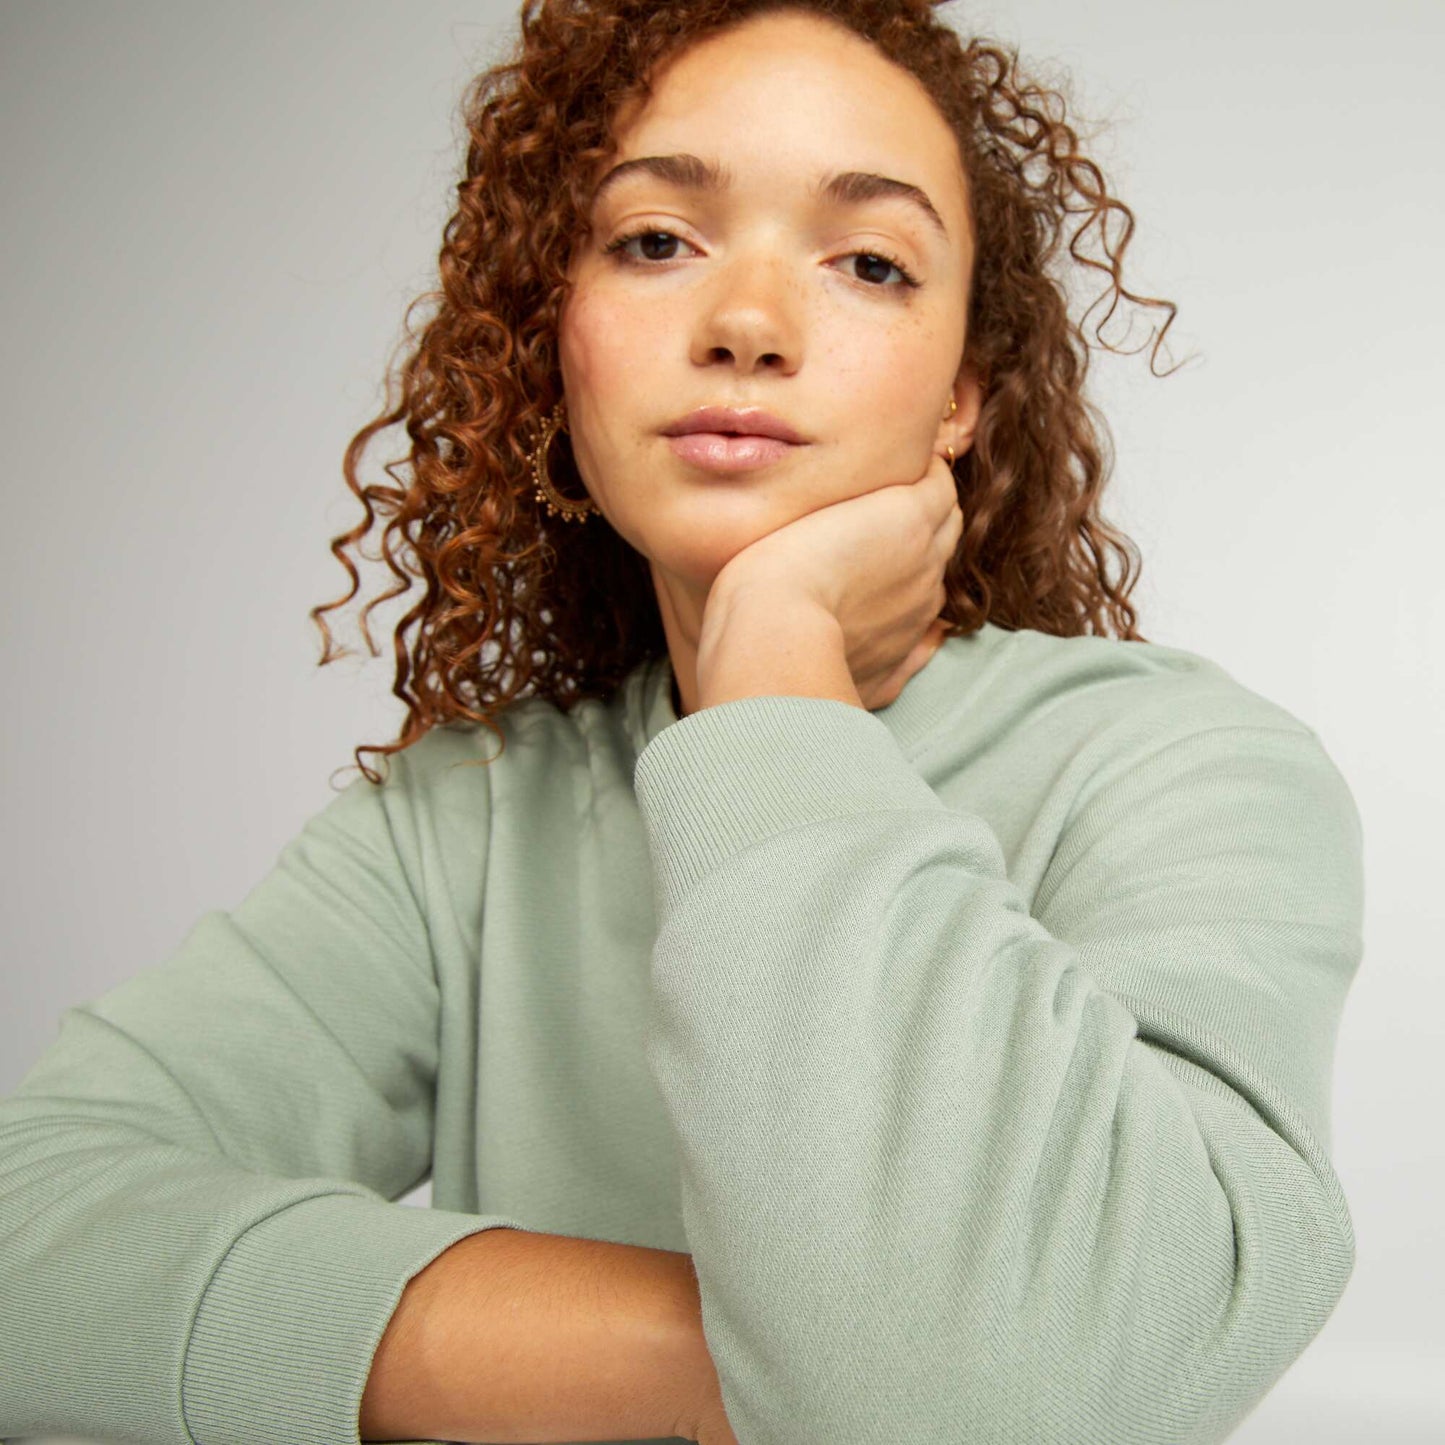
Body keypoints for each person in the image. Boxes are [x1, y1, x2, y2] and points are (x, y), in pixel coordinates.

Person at [0, 2, 1364, 1443]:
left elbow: (1009, 1394)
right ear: (555, 336)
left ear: (961, 395)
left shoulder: (1188, 773)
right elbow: (33, 1224)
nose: (746, 327)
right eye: (655, 240)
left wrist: (774, 640)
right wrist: (755, 1366)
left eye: (868, 262)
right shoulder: (467, 817)